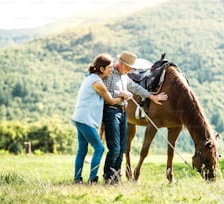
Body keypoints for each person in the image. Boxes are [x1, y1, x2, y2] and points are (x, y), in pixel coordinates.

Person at [102, 51, 168, 184]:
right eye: (129, 68)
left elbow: (136, 87)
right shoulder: (109, 74)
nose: (130, 70)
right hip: (111, 112)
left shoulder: (124, 76)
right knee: (114, 147)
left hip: (122, 111)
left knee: (122, 146)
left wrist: (151, 96)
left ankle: (116, 176)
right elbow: (102, 91)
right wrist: (121, 93)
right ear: (121, 64)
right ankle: (108, 176)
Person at [72, 53, 131, 185]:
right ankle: (93, 179)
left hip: (80, 117)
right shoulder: (97, 82)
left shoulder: (90, 77)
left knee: (82, 149)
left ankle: (77, 179)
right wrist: (123, 97)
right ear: (102, 69)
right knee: (99, 148)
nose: (112, 69)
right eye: (109, 67)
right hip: (85, 119)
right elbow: (110, 100)